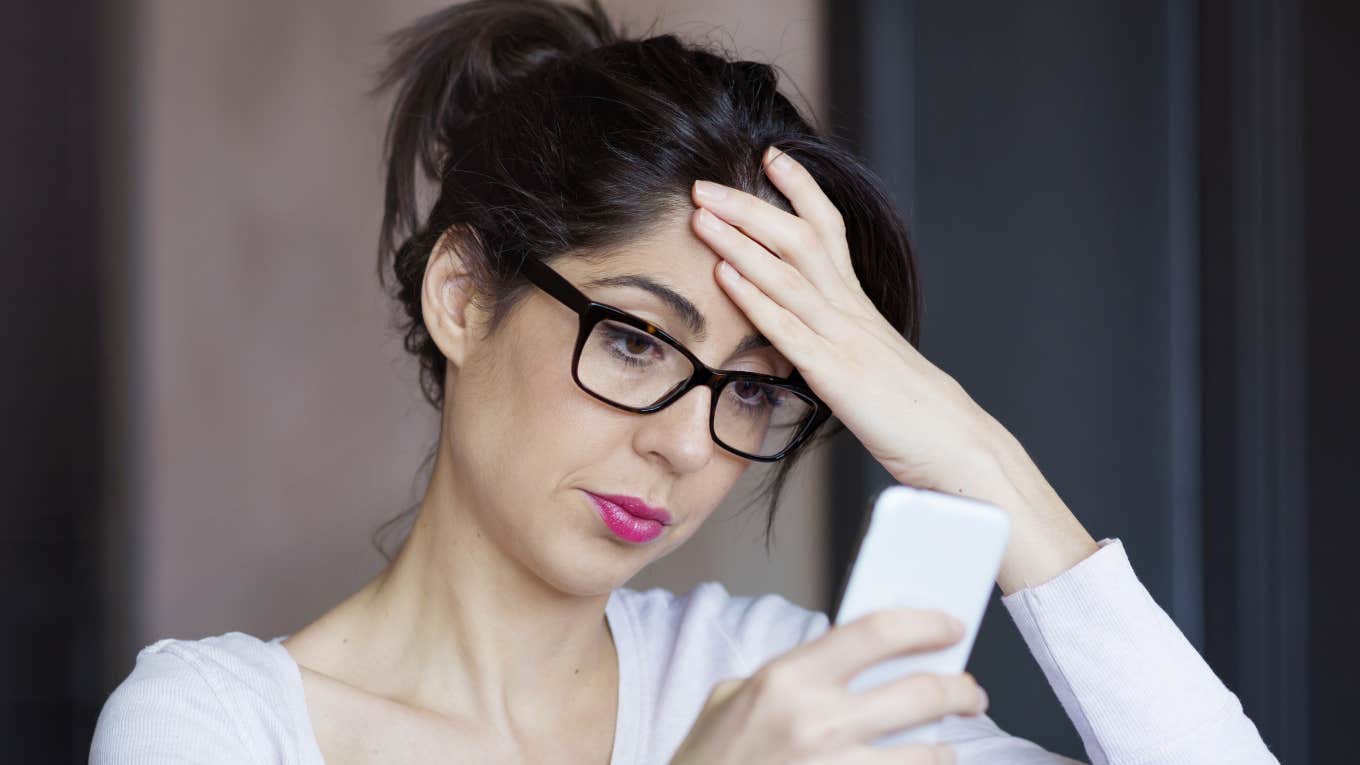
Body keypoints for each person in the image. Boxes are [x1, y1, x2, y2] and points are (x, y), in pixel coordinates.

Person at [89, 1, 1281, 762]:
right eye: (636, 340)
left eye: (756, 389)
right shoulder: (221, 726)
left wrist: (973, 453)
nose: (687, 447)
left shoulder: (780, 682)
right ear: (462, 297)